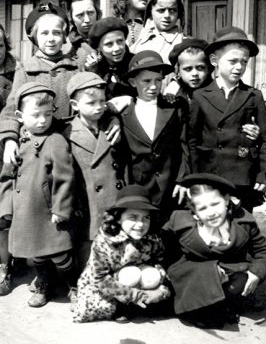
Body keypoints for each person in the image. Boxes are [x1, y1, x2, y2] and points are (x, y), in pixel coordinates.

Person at [162, 173, 266, 329]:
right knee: (200, 311)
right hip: (194, 276)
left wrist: (257, 273)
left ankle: (226, 302)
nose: (211, 212)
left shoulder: (244, 221)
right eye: (202, 208)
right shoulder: (180, 221)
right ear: (194, 211)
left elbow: (264, 251)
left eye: (215, 204)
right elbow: (163, 248)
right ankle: (201, 306)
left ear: (227, 200)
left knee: (240, 281)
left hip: (229, 275)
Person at [0, 82, 76, 308]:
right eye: (36, 115)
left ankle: (73, 285)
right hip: (25, 210)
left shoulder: (55, 141)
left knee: (59, 253)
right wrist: (7, 205)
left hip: (48, 210)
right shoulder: (17, 142)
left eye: (47, 114)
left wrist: (61, 208)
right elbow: (7, 177)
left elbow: (65, 178)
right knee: (37, 256)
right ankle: (45, 285)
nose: (43, 120)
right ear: (20, 116)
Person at [188, 26, 266, 212]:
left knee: (241, 230)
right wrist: (195, 178)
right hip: (210, 175)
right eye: (233, 61)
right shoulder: (200, 96)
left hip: (243, 177)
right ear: (214, 61)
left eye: (244, 62)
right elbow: (192, 141)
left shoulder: (253, 96)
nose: (239, 67)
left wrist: (263, 175)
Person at [73, 184, 171, 323]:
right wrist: (132, 295)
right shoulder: (105, 240)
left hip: (140, 281)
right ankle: (123, 307)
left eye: (146, 218)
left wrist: (160, 288)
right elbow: (99, 278)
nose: (140, 224)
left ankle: (143, 303)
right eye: (133, 217)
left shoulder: (153, 237)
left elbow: (161, 261)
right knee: (130, 274)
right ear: (118, 218)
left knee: (152, 275)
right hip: (111, 286)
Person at [0, 3, 81, 169]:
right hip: (36, 147)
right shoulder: (26, 70)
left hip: (72, 143)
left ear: (64, 36)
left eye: (57, 33)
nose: (50, 38)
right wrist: (9, 139)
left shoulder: (75, 68)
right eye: (44, 33)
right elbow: (11, 110)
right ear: (34, 37)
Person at [63, 72, 126, 270]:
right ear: (75, 105)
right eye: (91, 103)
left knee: (115, 245)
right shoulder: (66, 131)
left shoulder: (112, 125)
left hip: (113, 199)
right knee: (86, 249)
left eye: (102, 101)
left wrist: (115, 119)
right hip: (86, 203)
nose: (99, 107)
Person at [118, 50, 189, 223]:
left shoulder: (174, 108)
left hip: (171, 188)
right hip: (140, 189)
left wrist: (182, 180)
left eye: (158, 80)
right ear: (132, 81)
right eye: (146, 81)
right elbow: (122, 155)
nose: (153, 86)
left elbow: (185, 146)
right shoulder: (124, 114)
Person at [0, 24, 17, 296]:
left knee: (3, 211)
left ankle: (5, 265)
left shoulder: (17, 73)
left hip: (6, 145)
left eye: (0, 45)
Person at [130, 0, 185, 64]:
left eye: (172, 10)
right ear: (150, 11)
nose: (167, 15)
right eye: (161, 10)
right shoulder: (138, 41)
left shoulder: (182, 44)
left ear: (179, 13)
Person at [85, 17, 135, 101]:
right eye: (109, 44)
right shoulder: (96, 69)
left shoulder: (136, 64)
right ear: (98, 48)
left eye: (120, 41)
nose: (116, 48)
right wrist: (94, 73)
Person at [60, 0, 101, 67]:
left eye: (90, 13)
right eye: (80, 15)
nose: (87, 20)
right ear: (71, 17)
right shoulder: (66, 48)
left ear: (97, 12)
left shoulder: (109, 38)